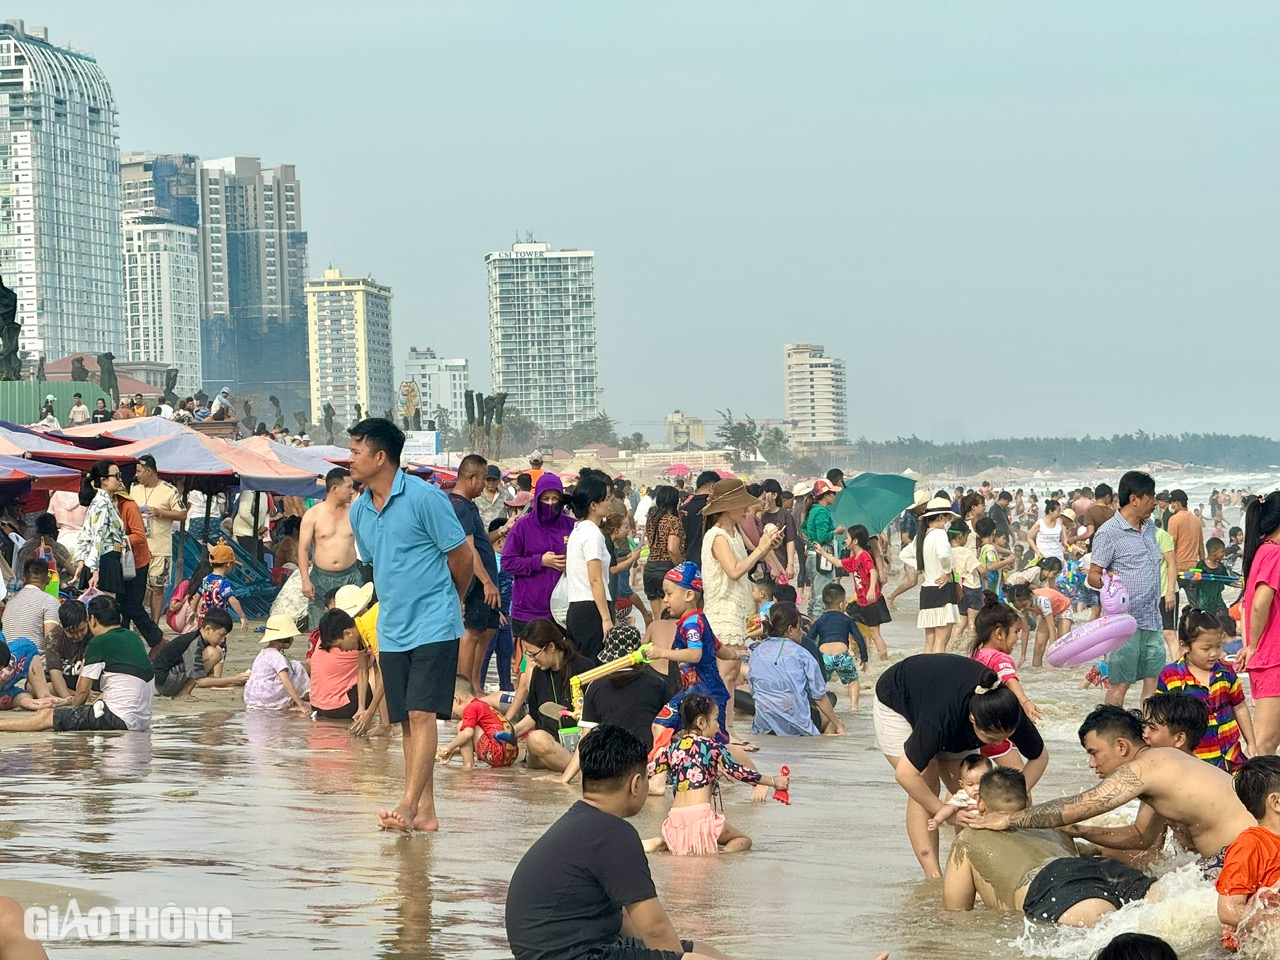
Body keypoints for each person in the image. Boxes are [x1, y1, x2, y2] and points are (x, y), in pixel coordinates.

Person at [505, 724, 735, 960]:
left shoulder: (582, 822)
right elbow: (655, 929)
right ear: (636, 784)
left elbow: (626, 918)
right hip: (572, 954)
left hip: (570, 947)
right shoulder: (615, 833)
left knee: (700, 950)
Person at [348, 418, 471, 833]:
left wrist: (451, 599)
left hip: (434, 622)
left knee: (422, 714)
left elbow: (461, 558)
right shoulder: (359, 509)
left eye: (356, 451)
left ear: (381, 456)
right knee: (405, 721)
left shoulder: (424, 498)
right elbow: (375, 564)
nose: (350, 459)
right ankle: (426, 813)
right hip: (392, 626)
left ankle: (407, 801)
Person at [972, 703, 1254, 864]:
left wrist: (1011, 819)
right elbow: (1141, 836)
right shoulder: (1160, 768)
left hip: (1249, 855)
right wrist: (1079, 831)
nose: (1091, 763)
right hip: (1246, 852)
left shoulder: (1146, 766)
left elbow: (1081, 805)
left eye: (1094, 752)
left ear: (1121, 746)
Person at [874, 654, 1046, 877]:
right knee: (927, 777)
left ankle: (967, 866)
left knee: (973, 791)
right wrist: (945, 813)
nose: (997, 744)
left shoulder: (1007, 711)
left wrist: (1020, 791)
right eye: (991, 739)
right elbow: (906, 775)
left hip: (943, 698)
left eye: (1004, 738)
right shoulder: (942, 718)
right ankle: (933, 875)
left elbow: (1040, 757)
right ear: (973, 719)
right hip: (898, 697)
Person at [943, 767, 1158, 928]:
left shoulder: (967, 839)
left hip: (1052, 883)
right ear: (1028, 800)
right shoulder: (1053, 828)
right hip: (1101, 867)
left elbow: (956, 913)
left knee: (1108, 930)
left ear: (980, 802)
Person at [645, 694, 789, 856]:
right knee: (743, 840)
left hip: (675, 821)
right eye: (715, 720)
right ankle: (719, 856)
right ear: (701, 722)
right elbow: (739, 772)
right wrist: (773, 781)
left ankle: (660, 843)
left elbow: (649, 771)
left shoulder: (672, 749)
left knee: (680, 849)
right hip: (701, 818)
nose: (718, 727)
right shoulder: (714, 747)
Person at [701, 479, 782, 740]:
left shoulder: (735, 530)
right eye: (742, 506)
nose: (747, 510)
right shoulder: (717, 535)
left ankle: (728, 728)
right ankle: (722, 729)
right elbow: (734, 570)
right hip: (722, 609)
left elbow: (752, 553)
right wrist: (761, 548)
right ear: (727, 507)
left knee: (734, 672)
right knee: (725, 673)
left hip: (738, 607)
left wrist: (768, 546)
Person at [0, 596, 154, 733]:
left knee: (46, 716)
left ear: (92, 619)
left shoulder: (98, 642)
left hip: (118, 717)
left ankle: (3, 725)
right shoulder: (134, 638)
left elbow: (81, 693)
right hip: (141, 720)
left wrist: (71, 711)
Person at [1089, 471, 1173, 707]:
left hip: (1152, 620)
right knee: (1120, 684)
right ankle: (1110, 731)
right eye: (1151, 496)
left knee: (1153, 683)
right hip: (1125, 624)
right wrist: (1106, 580)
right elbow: (1093, 575)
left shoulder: (1149, 528)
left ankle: (1147, 733)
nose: (1154, 502)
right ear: (1134, 498)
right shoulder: (1109, 532)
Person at [1156, 607, 1254, 772]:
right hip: (1192, 764)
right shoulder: (1170, 677)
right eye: (1206, 649)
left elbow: (1239, 706)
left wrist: (1251, 743)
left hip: (1230, 759)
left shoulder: (1226, 671)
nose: (1215, 653)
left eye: (1218, 646)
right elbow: (1160, 720)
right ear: (1185, 646)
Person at [510, 620, 597, 772]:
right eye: (528, 655)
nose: (532, 661)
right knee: (536, 739)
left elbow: (595, 716)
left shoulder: (584, 668)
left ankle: (574, 772)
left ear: (550, 647)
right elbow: (535, 715)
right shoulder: (538, 672)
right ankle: (577, 772)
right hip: (546, 745)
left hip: (577, 744)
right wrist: (512, 733)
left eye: (533, 654)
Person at [749, 602, 845, 735]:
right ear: (790, 630)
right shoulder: (802, 654)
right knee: (832, 721)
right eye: (799, 628)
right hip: (797, 725)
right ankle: (825, 743)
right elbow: (819, 696)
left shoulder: (757, 652)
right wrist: (838, 725)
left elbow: (754, 689)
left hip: (764, 724)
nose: (801, 632)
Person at [450, 455, 503, 691]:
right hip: (478, 580)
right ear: (471, 478)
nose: (484, 485)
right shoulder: (459, 506)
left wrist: (502, 531)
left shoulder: (468, 506)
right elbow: (468, 548)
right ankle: (464, 687)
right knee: (472, 631)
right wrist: (486, 581)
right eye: (482, 479)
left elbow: (481, 542)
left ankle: (475, 683)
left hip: (488, 577)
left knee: (488, 628)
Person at [501, 473, 576, 641]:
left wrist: (569, 565)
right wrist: (539, 561)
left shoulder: (571, 526)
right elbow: (507, 562)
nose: (550, 504)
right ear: (537, 499)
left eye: (555, 499)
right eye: (545, 499)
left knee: (561, 662)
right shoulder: (523, 526)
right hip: (528, 611)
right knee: (528, 663)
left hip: (563, 610)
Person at [1217, 756, 1280, 951]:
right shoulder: (1250, 844)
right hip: (1255, 948)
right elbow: (1227, 910)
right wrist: (1271, 920)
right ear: (1277, 802)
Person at [298, 467, 362, 630]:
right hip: (321, 577)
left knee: (355, 624)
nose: (351, 491)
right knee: (319, 627)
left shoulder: (354, 513)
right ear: (335, 488)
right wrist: (305, 579)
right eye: (348, 487)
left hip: (351, 575)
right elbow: (303, 549)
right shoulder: (313, 514)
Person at [1240, 492, 1280, 755]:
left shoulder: (1262, 551)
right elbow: (1258, 604)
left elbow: (1246, 605)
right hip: (1272, 659)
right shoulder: (1275, 554)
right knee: (1263, 746)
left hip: (1267, 658)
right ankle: (1245, 795)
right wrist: (1253, 647)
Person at [815, 524, 890, 659]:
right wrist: (821, 552)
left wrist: (872, 588)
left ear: (855, 541)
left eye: (847, 537)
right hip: (860, 601)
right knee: (853, 630)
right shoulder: (854, 558)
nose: (845, 540)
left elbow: (872, 572)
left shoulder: (864, 556)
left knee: (874, 633)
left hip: (871, 600)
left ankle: (884, 662)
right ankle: (859, 657)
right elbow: (838, 563)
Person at [563, 471, 615, 663]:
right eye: (607, 499)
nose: (610, 503)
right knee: (594, 666)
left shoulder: (578, 530)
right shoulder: (592, 534)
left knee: (579, 665)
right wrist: (606, 618)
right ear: (594, 505)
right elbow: (595, 579)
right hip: (591, 608)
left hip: (577, 606)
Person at [130, 453, 187, 624]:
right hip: (138, 548)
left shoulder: (169, 490)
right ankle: (137, 623)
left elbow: (182, 514)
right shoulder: (134, 489)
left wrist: (160, 512)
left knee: (157, 588)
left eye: (139, 471)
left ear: (149, 471)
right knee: (135, 588)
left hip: (160, 548)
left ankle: (154, 625)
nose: (136, 475)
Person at [151, 609, 246, 699]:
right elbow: (200, 681)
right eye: (221, 635)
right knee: (214, 653)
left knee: (217, 651)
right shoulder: (194, 643)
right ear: (208, 629)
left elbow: (210, 679)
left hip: (169, 678)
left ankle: (183, 691)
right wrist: (234, 679)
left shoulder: (203, 641)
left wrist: (237, 682)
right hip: (164, 681)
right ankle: (183, 693)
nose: (222, 640)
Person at [804, 583, 865, 710]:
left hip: (824, 658)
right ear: (841, 604)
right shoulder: (846, 619)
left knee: (819, 681)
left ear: (824, 604)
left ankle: (817, 706)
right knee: (852, 679)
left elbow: (809, 639)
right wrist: (864, 657)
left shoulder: (820, 620)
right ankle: (854, 707)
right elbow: (859, 638)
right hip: (842, 656)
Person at [72, 459, 127, 597]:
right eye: (117, 476)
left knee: (99, 610)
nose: (120, 480)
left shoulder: (102, 502)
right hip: (104, 560)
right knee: (105, 611)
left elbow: (85, 534)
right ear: (104, 480)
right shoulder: (102, 503)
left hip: (100, 559)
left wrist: (81, 561)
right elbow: (97, 535)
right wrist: (95, 570)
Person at [439, 676, 517, 769]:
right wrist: (454, 751)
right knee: (469, 729)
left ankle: (468, 765)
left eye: (451, 708)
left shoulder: (470, 708)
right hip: (510, 757)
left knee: (463, 726)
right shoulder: (482, 705)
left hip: (496, 754)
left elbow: (467, 734)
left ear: (456, 699)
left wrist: (448, 747)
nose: (452, 713)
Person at [307, 608, 371, 721]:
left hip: (315, 705)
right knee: (377, 669)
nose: (342, 650)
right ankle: (385, 722)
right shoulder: (355, 638)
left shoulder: (326, 637)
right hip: (339, 707)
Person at [915, 497, 959, 654]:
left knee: (929, 641)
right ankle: (937, 674)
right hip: (941, 590)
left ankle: (924, 673)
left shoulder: (922, 536)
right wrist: (947, 571)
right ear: (942, 517)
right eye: (948, 518)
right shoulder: (940, 534)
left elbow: (905, 554)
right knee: (941, 641)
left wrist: (923, 569)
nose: (949, 522)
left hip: (927, 590)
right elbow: (943, 554)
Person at [243, 614, 310, 712]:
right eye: (290, 637)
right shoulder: (277, 656)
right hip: (267, 697)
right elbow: (286, 681)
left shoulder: (263, 653)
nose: (292, 640)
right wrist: (301, 705)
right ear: (283, 638)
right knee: (296, 667)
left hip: (254, 697)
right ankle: (297, 699)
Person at [0, 561, 61, 654]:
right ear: (48, 580)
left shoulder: (11, 601)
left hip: (6, 659)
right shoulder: (50, 601)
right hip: (32, 660)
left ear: (23, 580)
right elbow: (51, 641)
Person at [643, 485, 684, 620]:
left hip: (650, 568)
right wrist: (680, 567)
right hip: (666, 568)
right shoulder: (673, 521)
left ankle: (656, 638)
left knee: (657, 616)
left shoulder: (651, 519)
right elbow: (672, 549)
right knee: (666, 616)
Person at [802, 478, 842, 619]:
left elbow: (804, 528)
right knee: (821, 596)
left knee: (815, 595)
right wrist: (836, 531)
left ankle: (811, 627)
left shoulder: (813, 510)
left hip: (814, 556)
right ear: (826, 495)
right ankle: (816, 631)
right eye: (833, 493)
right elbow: (822, 536)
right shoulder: (822, 512)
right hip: (821, 558)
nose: (834, 496)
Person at [42, 600, 90, 699]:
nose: (78, 635)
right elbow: (55, 672)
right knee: (33, 687)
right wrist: (67, 697)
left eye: (81, 630)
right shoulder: (54, 637)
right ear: (62, 626)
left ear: (88, 620)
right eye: (71, 632)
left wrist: (82, 692)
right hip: (61, 682)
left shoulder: (92, 635)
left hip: (85, 681)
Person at [1166, 489, 1207, 605]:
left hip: (1178, 569)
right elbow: (1201, 546)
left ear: (1177, 503)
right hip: (1193, 569)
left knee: (1171, 605)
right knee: (1196, 605)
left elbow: (1171, 546)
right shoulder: (1196, 520)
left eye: (1172, 503)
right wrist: (1202, 565)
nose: (1171, 506)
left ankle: (1175, 623)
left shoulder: (1174, 519)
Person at [196, 542, 248, 628]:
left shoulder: (206, 579)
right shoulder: (223, 582)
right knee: (219, 639)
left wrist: (194, 611)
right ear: (228, 564)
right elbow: (232, 600)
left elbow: (197, 596)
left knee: (204, 639)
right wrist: (242, 616)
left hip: (204, 619)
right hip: (218, 620)